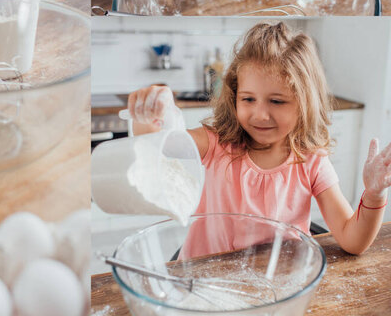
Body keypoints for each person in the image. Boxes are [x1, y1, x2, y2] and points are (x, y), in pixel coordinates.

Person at [127, 22, 391, 256]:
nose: (260, 114)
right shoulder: (217, 142)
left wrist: (374, 194)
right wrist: (146, 115)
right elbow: (158, 146)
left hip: (278, 277)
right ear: (234, 96)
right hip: (208, 276)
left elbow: (352, 240)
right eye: (248, 99)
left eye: (277, 101)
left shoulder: (312, 162)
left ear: (304, 103)